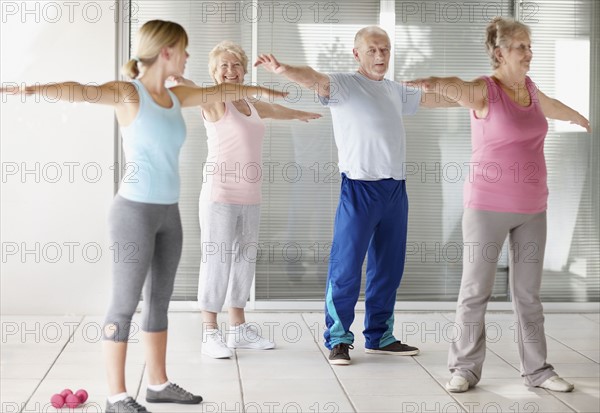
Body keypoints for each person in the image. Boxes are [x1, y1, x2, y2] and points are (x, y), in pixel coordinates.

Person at [2, 20, 285, 413]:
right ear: (166, 51)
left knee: (158, 302)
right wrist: (32, 89)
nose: (188, 57)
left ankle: (158, 383)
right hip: (133, 212)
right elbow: (81, 91)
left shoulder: (177, 94)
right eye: (184, 50)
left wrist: (261, 91)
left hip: (169, 213)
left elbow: (222, 90)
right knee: (124, 303)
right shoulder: (128, 93)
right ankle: (117, 395)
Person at [408, 17, 590, 393]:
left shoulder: (532, 89)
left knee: (528, 295)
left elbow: (550, 106)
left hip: (532, 208)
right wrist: (435, 84)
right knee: (475, 291)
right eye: (521, 46)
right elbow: (458, 89)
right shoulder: (485, 90)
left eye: (529, 45)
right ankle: (464, 369)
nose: (529, 53)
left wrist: (575, 115)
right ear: (499, 52)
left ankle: (538, 371)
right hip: (487, 207)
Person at [255, 26, 453, 365]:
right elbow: (312, 78)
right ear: (357, 54)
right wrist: (283, 70)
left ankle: (380, 336)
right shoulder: (344, 85)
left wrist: (477, 94)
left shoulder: (395, 90)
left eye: (385, 50)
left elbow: (437, 98)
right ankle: (338, 339)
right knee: (346, 267)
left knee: (388, 269)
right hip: (359, 189)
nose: (380, 56)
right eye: (373, 49)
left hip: (395, 190)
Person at [172, 41, 322, 359]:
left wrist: (298, 114)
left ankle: (238, 329)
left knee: (243, 261)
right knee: (217, 260)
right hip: (220, 195)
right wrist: (177, 77)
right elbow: (193, 89)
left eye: (235, 65)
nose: (230, 70)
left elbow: (275, 110)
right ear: (215, 73)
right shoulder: (214, 100)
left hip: (250, 196)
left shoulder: (250, 104)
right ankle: (210, 332)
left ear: (243, 70)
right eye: (223, 66)